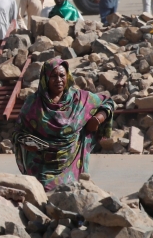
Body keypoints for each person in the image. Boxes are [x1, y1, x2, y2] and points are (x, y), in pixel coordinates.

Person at [12, 58, 114, 191]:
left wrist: (98, 119)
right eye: (53, 76)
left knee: (70, 197)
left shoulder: (79, 99)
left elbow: (108, 102)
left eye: (62, 75)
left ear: (68, 76)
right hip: (41, 168)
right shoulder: (33, 103)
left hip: (72, 164)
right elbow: (17, 132)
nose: (58, 80)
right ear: (45, 78)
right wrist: (25, 143)